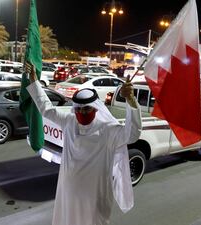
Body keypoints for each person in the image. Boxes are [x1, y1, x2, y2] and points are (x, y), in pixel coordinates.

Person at [25, 62, 142, 225]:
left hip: (95, 196)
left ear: (95, 109)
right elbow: (46, 109)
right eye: (79, 109)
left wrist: (130, 100)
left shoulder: (108, 130)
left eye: (86, 109)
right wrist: (34, 81)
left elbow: (132, 134)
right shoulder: (69, 121)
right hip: (69, 192)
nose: (82, 113)